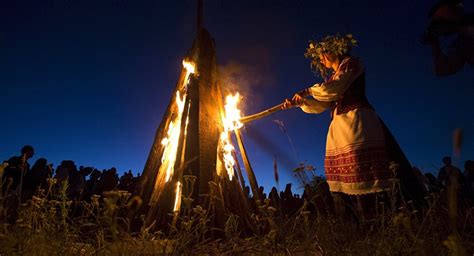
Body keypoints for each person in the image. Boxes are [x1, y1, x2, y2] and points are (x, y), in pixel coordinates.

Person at [282, 34, 425, 220]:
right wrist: (300, 103)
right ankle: (357, 223)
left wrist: (308, 91)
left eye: (323, 54)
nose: (321, 59)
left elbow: (333, 89)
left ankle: (385, 218)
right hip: (339, 128)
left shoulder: (352, 64)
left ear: (334, 50)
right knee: (345, 178)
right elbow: (323, 103)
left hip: (357, 122)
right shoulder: (333, 76)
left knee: (363, 170)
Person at [421, 0, 473, 76]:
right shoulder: (462, 43)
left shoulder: (466, 31)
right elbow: (442, 70)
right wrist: (434, 44)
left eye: (440, 19)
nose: (440, 24)